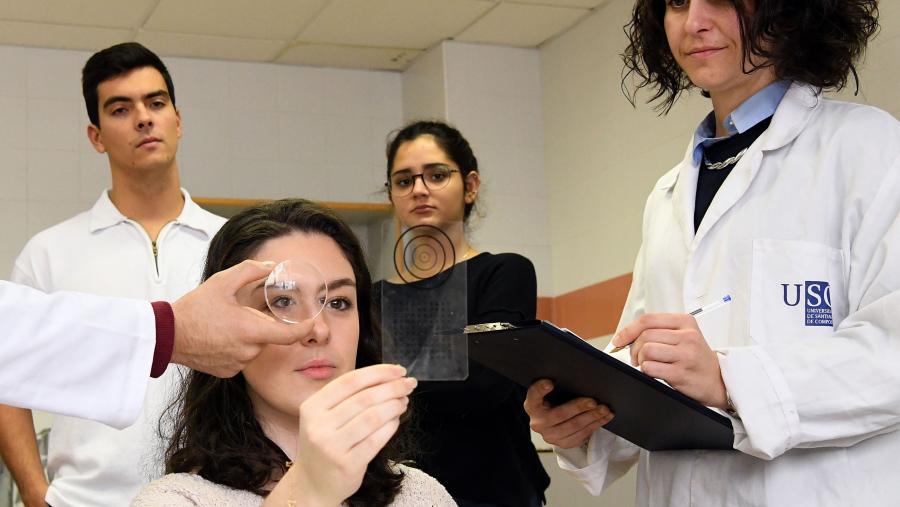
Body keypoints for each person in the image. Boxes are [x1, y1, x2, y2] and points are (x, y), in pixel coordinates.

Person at [525, 0, 900, 505]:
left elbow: (890, 356)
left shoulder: (868, 148)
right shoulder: (667, 194)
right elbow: (644, 366)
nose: (694, 21)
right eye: (677, 2)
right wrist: (583, 417)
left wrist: (729, 379)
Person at [0, 41, 227, 507]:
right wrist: (35, 492)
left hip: (216, 496)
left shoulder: (231, 246)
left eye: (156, 103)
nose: (143, 118)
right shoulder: (48, 252)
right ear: (96, 136)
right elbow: (7, 385)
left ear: (177, 121)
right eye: (120, 109)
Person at [132, 198, 455, 506]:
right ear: (226, 333)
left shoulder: (419, 494)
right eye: (281, 302)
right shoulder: (176, 500)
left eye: (338, 302)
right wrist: (309, 490)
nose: (319, 330)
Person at [377, 120, 549, 506]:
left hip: (495, 491)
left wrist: (382, 390)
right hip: (400, 496)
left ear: (470, 186)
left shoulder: (504, 273)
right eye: (404, 181)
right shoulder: (373, 298)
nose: (419, 189)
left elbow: (485, 385)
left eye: (436, 175)